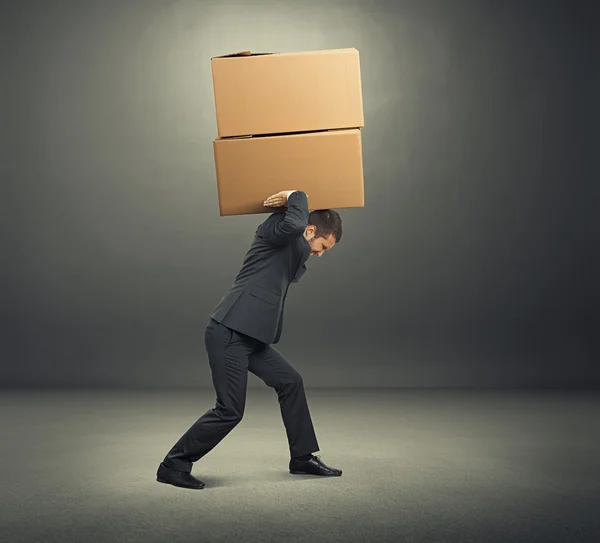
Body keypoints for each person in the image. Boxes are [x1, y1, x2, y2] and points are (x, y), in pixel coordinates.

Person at [156, 190, 343, 489]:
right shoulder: (274, 230)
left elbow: (293, 267)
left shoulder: (293, 247)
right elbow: (294, 225)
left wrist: (308, 242)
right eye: (322, 246)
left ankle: (302, 458)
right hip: (229, 330)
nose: (320, 254)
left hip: (251, 337)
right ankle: (173, 464)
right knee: (230, 410)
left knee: (290, 381)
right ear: (310, 230)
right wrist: (297, 195)